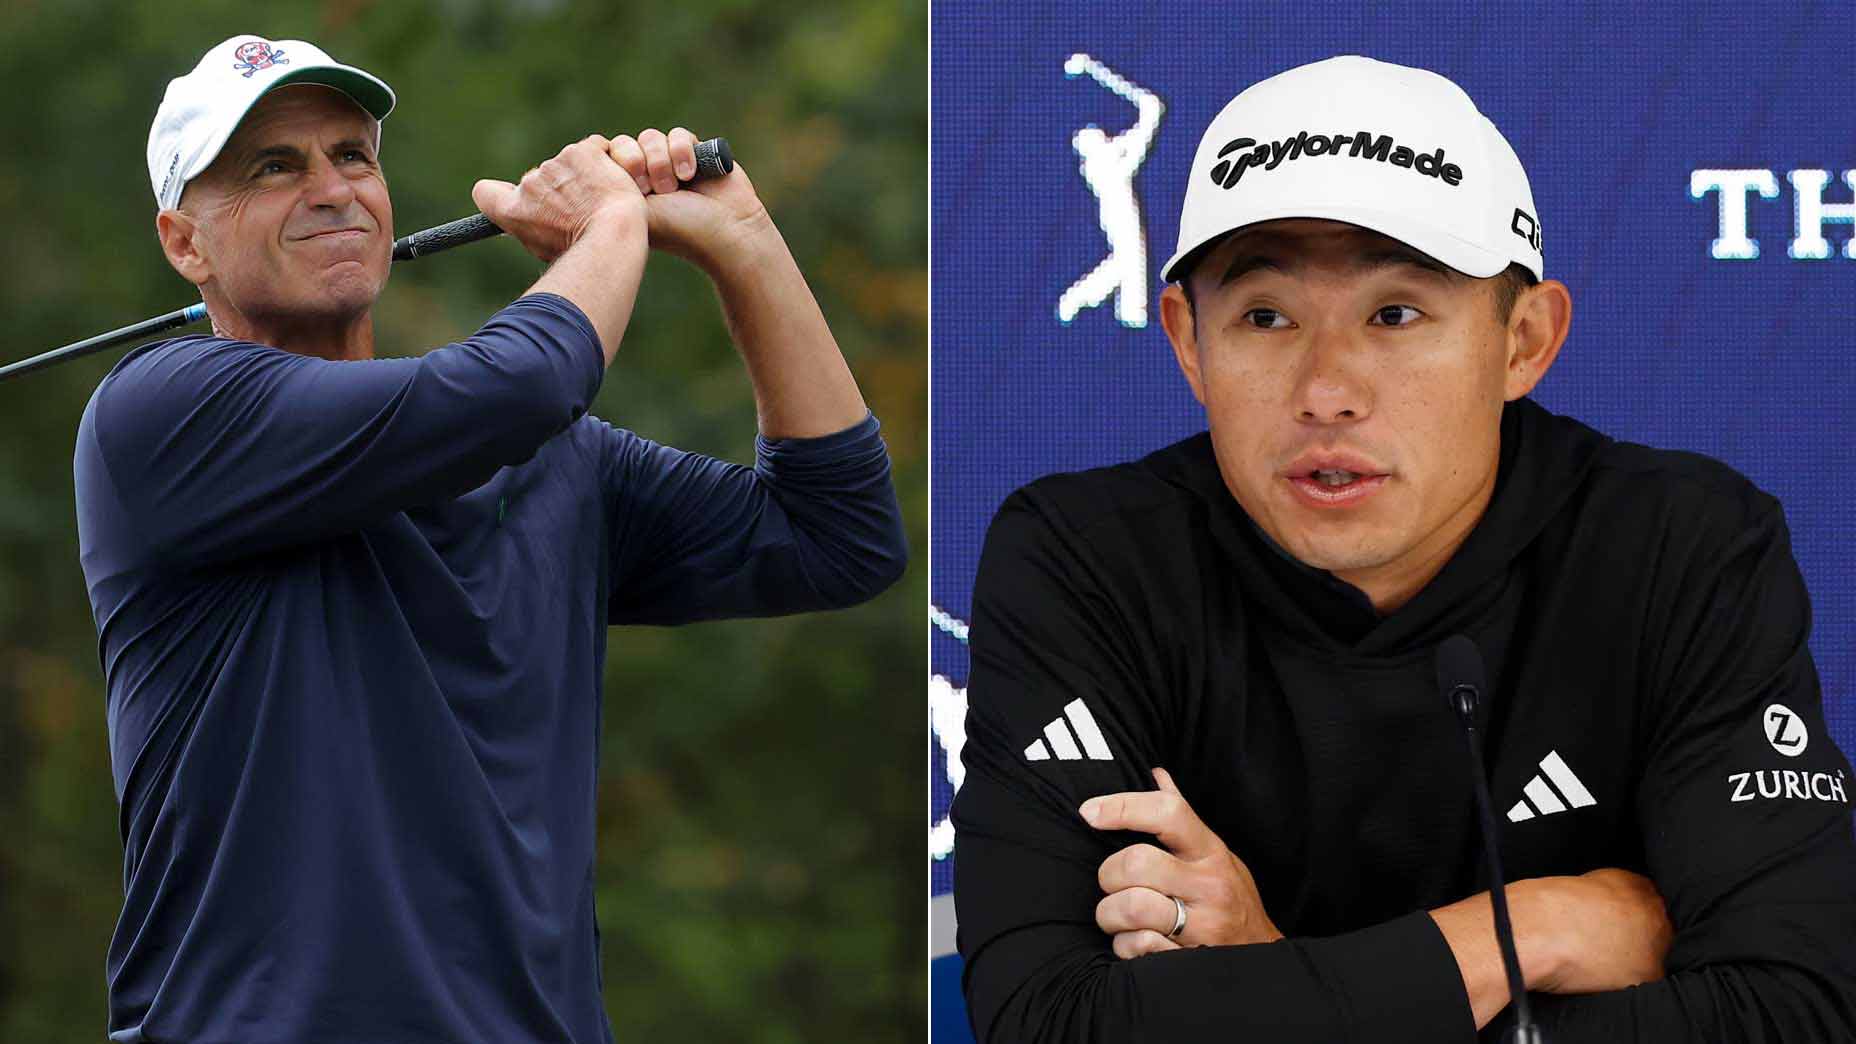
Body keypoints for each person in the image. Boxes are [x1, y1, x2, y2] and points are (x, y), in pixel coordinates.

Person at [952, 55, 1856, 1042]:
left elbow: (1792, 1010)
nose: (1326, 389)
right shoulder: (1088, 563)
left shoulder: (1675, 546)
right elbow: (1044, 1024)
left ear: (1522, 342)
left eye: (1394, 314)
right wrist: (1524, 932)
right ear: (1186, 342)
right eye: (1263, 317)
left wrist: (1265, 979)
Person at [76, 34, 906, 1043]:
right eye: (272, 168)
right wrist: (610, 225)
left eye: (352, 155)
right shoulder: (160, 413)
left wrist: (744, 244)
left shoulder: (550, 456)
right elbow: (515, 383)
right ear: (184, 243)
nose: (333, 189)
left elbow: (836, 535)